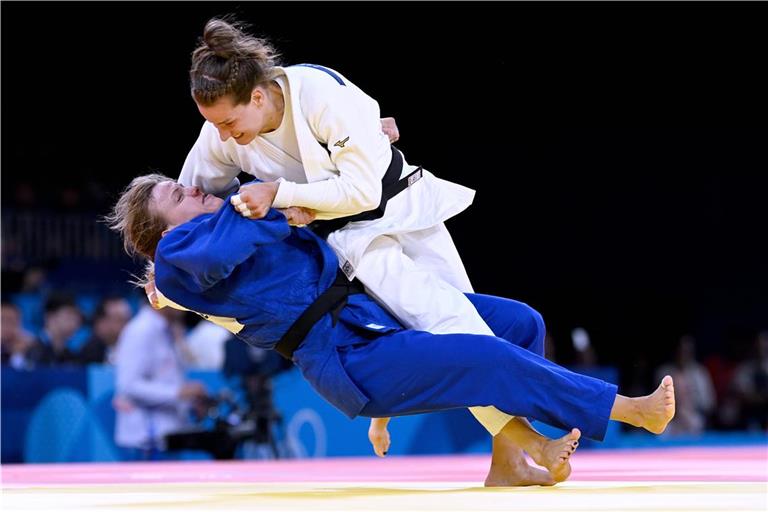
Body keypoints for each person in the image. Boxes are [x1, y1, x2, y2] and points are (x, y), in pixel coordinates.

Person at [108, 174, 676, 485]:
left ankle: (508, 456)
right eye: (179, 195)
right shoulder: (182, 256)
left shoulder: (218, 221)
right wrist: (272, 200)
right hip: (345, 357)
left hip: (369, 312)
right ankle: (627, 409)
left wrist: (360, 150)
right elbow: (237, 237)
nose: (195, 187)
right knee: (485, 358)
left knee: (517, 321)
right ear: (164, 234)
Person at [177, 16, 515, 451]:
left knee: (463, 314)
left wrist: (279, 192)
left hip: (402, 202)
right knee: (454, 323)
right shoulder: (222, 131)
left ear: (258, 96)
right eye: (215, 126)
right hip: (351, 236)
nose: (224, 137)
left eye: (228, 122)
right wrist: (159, 272)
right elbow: (188, 203)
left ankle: (420, 421)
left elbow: (362, 190)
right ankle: (517, 444)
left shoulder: (318, 96)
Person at [113, 300, 208, 460]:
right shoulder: (140, 330)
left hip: (168, 436)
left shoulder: (167, 330)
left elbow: (166, 377)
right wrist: (178, 392)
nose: (185, 300)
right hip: (145, 440)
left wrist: (190, 401)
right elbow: (128, 385)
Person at [78, 296, 132, 365]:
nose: (127, 325)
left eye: (128, 319)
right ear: (101, 323)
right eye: (119, 320)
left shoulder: (137, 349)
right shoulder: (88, 354)